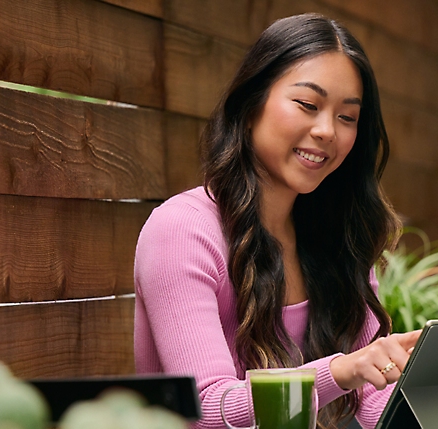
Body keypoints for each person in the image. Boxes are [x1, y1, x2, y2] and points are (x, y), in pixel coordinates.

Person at [133, 13, 419, 429]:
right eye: (307, 105)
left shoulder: (339, 240)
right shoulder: (183, 230)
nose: (327, 131)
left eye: (347, 117)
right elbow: (207, 409)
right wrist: (339, 372)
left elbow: (374, 404)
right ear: (250, 106)